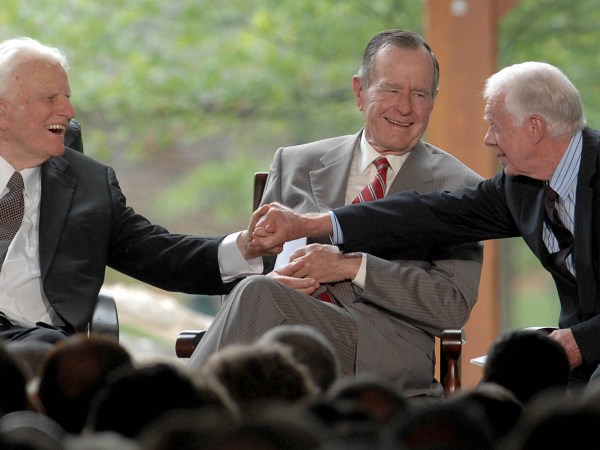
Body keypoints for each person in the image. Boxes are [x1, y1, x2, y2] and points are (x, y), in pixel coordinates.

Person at [252, 60, 600, 389]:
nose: (488, 139)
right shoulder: (521, 187)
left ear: (534, 127)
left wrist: (581, 342)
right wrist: (310, 224)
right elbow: (426, 215)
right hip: (574, 365)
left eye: (495, 126)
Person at [188, 29, 483, 398]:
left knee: (258, 297)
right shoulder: (295, 162)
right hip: (282, 333)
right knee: (259, 292)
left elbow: (451, 306)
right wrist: (271, 274)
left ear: (433, 101)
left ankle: (180, 413)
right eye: (391, 90)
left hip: (383, 348)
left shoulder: (460, 186)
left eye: (419, 94)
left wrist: (351, 267)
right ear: (360, 92)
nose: (405, 107)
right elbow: (255, 273)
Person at [0, 37, 270, 344]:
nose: (69, 110)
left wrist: (246, 248)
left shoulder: (89, 185)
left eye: (67, 96)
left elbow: (158, 254)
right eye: (50, 98)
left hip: (35, 343)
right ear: (3, 112)